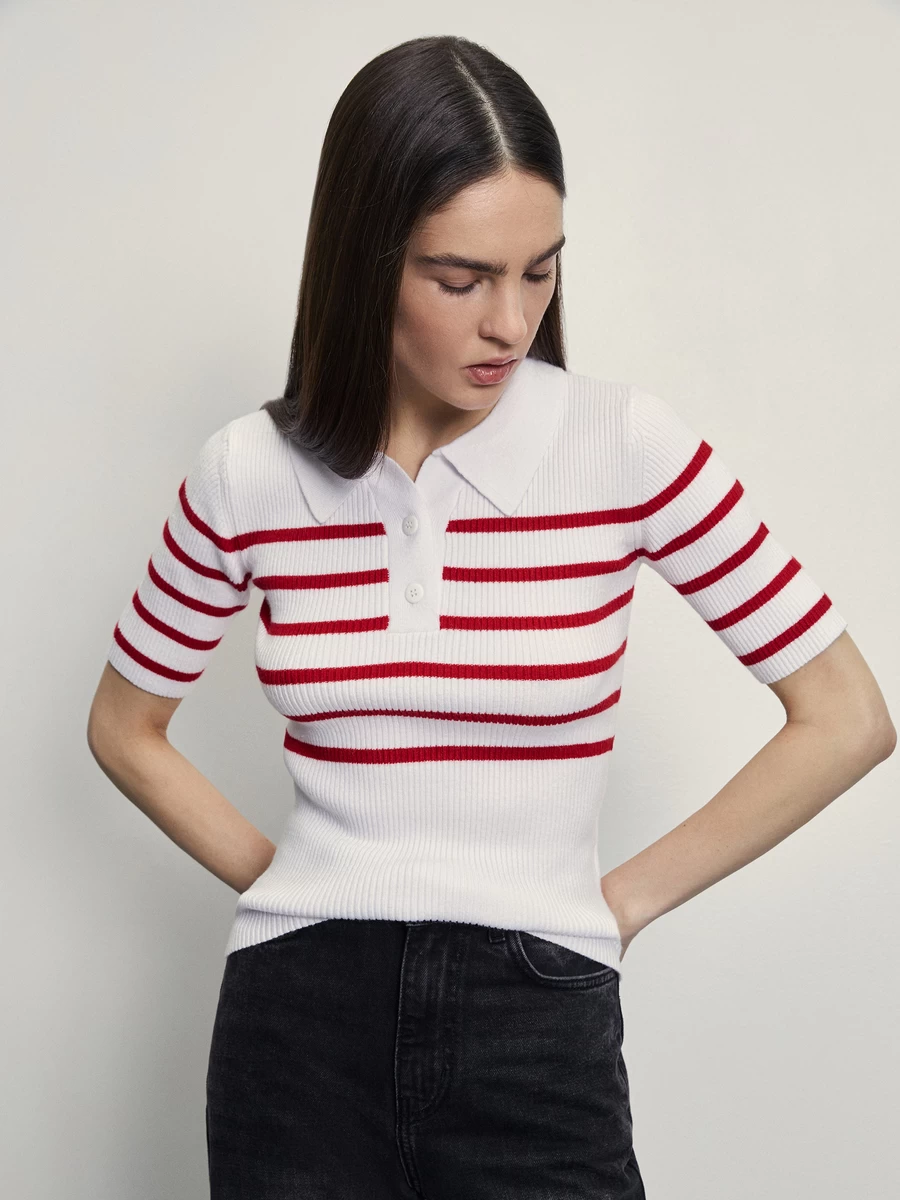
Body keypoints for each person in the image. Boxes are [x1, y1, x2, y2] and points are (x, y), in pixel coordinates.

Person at [86, 34, 894, 1200]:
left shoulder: (619, 445)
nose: (510, 323)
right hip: (296, 1036)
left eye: (540, 272)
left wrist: (618, 904)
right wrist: (302, 887)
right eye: (460, 280)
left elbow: (848, 716)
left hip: (538, 1022)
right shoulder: (249, 471)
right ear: (365, 264)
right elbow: (124, 729)